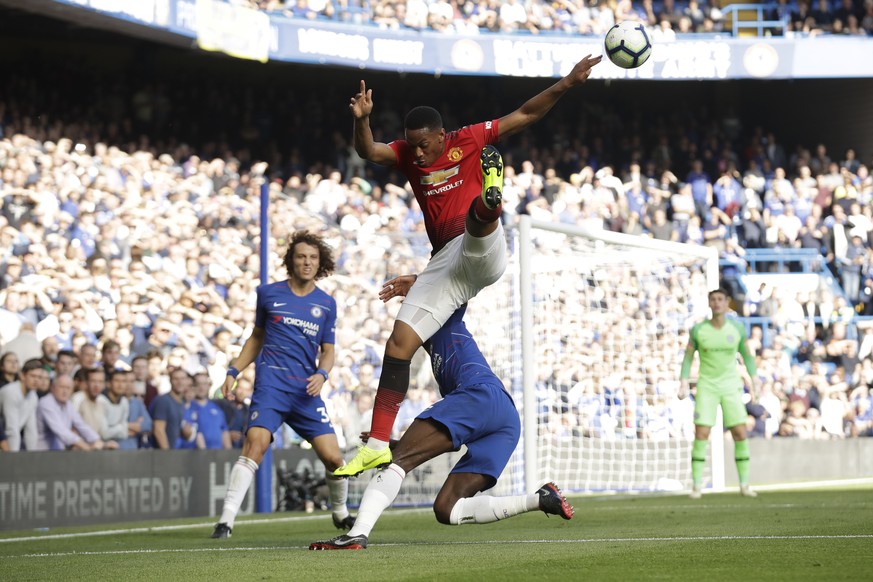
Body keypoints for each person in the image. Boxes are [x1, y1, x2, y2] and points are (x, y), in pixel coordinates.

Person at [336, 53, 603, 478]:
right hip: (446, 265)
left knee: (476, 226)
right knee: (398, 345)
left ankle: (491, 197)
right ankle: (378, 443)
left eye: (426, 144)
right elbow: (367, 150)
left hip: (482, 249)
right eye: (413, 145)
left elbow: (526, 113)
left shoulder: (471, 138)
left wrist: (568, 82)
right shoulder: (407, 154)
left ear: (443, 136)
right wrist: (362, 119)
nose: (419, 154)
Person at [311, 276, 573, 550]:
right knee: (447, 509)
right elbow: (446, 438)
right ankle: (540, 499)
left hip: (481, 395)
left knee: (397, 462)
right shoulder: (432, 350)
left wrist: (418, 282)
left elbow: (458, 284)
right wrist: (404, 444)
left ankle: (358, 533)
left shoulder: (447, 316)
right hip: (504, 419)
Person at [212, 231, 354, 539]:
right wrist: (234, 370)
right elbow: (257, 338)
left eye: (313, 257)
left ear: (321, 263)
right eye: (302, 256)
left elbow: (328, 351)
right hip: (271, 389)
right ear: (291, 259)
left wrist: (323, 374)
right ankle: (225, 522)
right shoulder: (268, 294)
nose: (307, 262)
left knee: (333, 459)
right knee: (256, 445)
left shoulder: (326, 304)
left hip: (305, 392)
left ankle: (340, 512)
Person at [680, 287, 759, 499]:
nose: (716, 303)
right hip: (707, 385)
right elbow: (687, 358)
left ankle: (744, 485)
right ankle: (696, 487)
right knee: (701, 433)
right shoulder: (698, 330)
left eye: (720, 299)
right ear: (709, 303)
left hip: (731, 386)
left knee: (740, 433)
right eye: (713, 299)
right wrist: (683, 381)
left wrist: (755, 379)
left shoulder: (737, 328)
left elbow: (747, 356)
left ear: (727, 303)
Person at [35, 374, 115, 451]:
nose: (65, 391)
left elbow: (81, 425)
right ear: (53, 388)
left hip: (57, 454)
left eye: (68, 388)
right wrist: (86, 447)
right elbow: (61, 431)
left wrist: (98, 441)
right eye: (62, 387)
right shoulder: (46, 403)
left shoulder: (68, 404)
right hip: (40, 454)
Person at [0, 358, 46, 451]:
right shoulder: (11, 392)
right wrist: (13, 459)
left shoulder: (33, 396)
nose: (36, 380)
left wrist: (32, 457)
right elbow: (11, 429)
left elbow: (31, 429)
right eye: (33, 376)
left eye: (39, 377)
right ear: (22, 376)